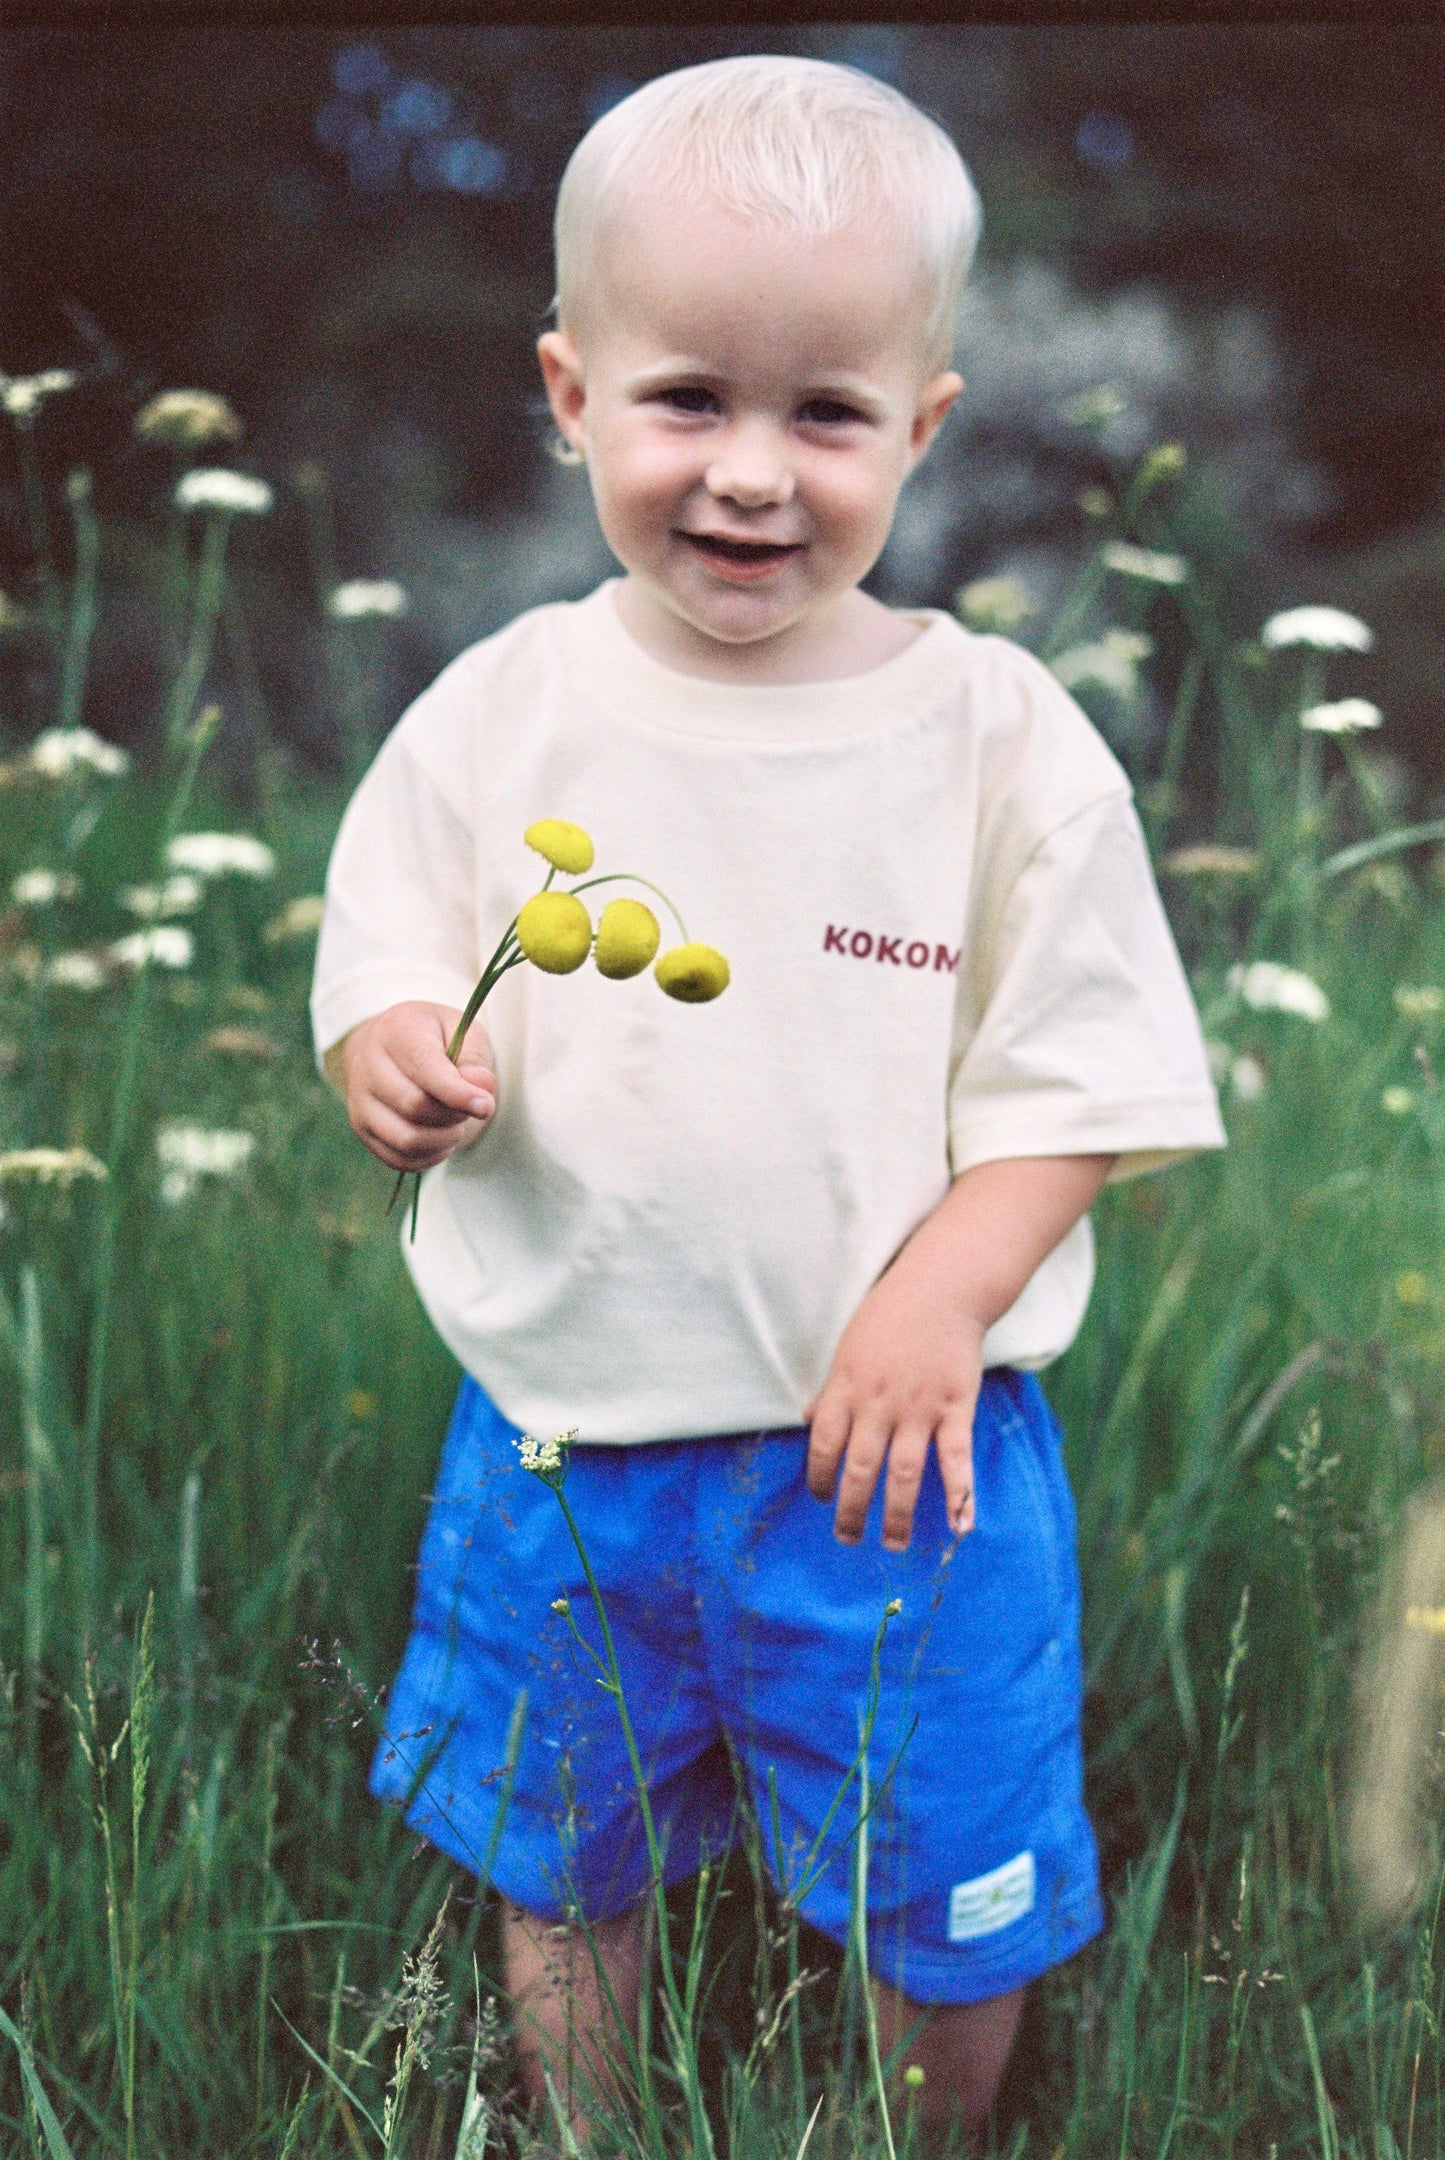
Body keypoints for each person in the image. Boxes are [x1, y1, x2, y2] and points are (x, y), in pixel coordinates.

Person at [311, 53, 1225, 2147]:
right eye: (686, 401)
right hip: (563, 1438)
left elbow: (1080, 1084)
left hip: (900, 1453)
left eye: (823, 414)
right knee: (561, 1844)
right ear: (568, 396)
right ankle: (593, 2124)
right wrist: (392, 1050)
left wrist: (941, 1298)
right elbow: (384, 948)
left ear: (922, 428)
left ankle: (923, 2133)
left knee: (943, 1870)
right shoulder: (504, 709)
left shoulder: (995, 736)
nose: (749, 473)